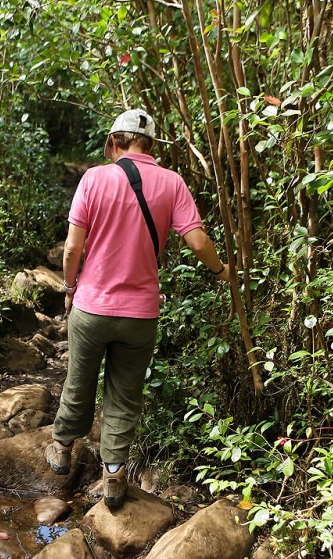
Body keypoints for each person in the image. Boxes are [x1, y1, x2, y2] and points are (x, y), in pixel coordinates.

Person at [45, 108, 230, 509]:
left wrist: (69, 288)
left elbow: (74, 247)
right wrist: (222, 270)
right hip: (141, 314)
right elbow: (197, 242)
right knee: (124, 395)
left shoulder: (94, 178)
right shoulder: (172, 182)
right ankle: (114, 476)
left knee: (79, 379)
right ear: (152, 146)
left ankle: (61, 448)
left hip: (92, 307)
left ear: (114, 142)